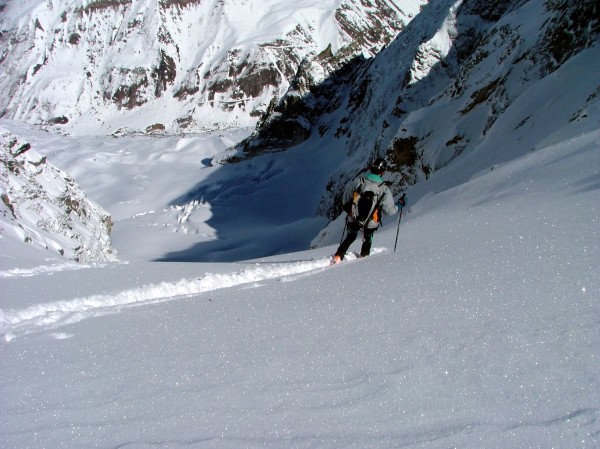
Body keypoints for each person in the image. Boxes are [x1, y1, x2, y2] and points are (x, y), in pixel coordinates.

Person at [332, 157, 404, 264]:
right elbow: (389, 211)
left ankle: (338, 257)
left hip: (354, 216)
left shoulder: (359, 182)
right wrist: (399, 204)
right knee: (367, 240)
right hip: (371, 221)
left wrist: (350, 210)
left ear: (371, 168)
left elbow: (345, 199)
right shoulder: (383, 189)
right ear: (383, 172)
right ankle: (363, 260)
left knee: (350, 237)